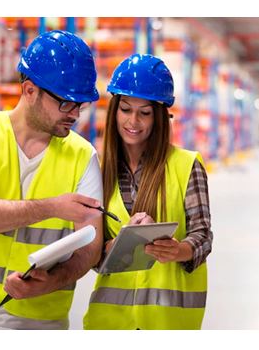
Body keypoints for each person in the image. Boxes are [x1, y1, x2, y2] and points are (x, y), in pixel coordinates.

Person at [0, 30, 104, 330]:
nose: (75, 114)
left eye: (81, 105)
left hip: (40, 325)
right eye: (66, 102)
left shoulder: (83, 155)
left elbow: (90, 245)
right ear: (29, 91)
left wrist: (53, 281)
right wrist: (51, 207)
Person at [83, 54, 213, 330]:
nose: (133, 121)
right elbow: (92, 256)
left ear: (160, 117)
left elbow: (203, 236)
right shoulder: (98, 169)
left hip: (166, 323)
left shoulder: (186, 165)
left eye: (144, 113)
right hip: (110, 323)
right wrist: (118, 244)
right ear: (115, 110)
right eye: (126, 110)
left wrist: (179, 250)